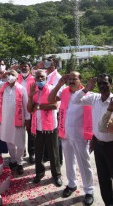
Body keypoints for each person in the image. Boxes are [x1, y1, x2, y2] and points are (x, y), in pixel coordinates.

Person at [48, 72, 94, 205]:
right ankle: (72, 184)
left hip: (80, 136)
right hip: (65, 133)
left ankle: (89, 191)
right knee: (69, 161)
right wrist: (59, 84)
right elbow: (51, 99)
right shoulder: (64, 92)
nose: (71, 81)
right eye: (70, 79)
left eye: (75, 79)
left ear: (80, 81)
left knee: (84, 164)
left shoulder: (87, 94)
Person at [73, 74, 113, 206]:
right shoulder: (95, 98)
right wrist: (86, 88)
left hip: (111, 146)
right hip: (99, 145)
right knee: (103, 178)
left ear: (110, 84)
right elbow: (75, 100)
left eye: (105, 83)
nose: (102, 86)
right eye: (100, 83)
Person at [27, 69, 62, 187]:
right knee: (38, 152)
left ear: (46, 78)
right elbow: (30, 109)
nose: (40, 79)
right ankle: (39, 173)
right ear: (35, 79)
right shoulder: (34, 90)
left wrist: (39, 106)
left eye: (42, 77)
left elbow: (54, 105)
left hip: (51, 126)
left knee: (53, 152)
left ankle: (56, 175)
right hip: (37, 126)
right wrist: (31, 97)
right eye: (38, 78)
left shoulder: (52, 89)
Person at [0, 70, 30, 175]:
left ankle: (20, 162)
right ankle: (13, 160)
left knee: (20, 142)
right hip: (5, 120)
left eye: (13, 75)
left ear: (17, 77)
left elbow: (26, 105)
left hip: (18, 120)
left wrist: (27, 119)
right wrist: (1, 76)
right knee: (9, 140)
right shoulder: (2, 86)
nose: (10, 76)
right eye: (9, 74)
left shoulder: (22, 88)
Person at [17, 61, 36, 163]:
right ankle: (22, 150)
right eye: (22, 66)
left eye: (26, 66)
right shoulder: (16, 78)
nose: (24, 68)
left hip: (30, 107)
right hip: (19, 108)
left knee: (31, 131)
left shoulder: (34, 79)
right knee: (20, 130)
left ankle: (32, 153)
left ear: (29, 68)